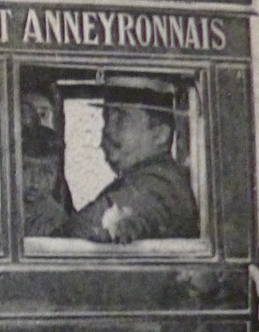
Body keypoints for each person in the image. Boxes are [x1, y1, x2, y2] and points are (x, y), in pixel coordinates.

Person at [65, 77, 198, 243]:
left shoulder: (161, 184)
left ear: (160, 135)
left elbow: (93, 224)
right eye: (106, 117)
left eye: (121, 117)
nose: (107, 129)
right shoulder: (141, 179)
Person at [21, 125, 70, 238]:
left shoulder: (56, 220)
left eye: (46, 172)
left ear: (56, 177)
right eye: (25, 168)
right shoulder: (1, 209)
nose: (34, 181)